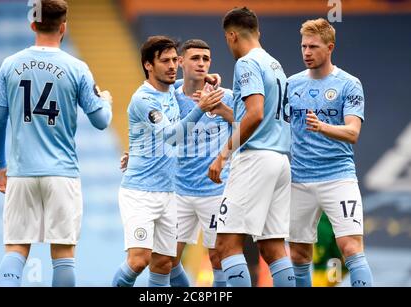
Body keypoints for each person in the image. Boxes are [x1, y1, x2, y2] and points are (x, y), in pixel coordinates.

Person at [0, 0, 112, 287]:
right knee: (63, 252)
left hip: (21, 173)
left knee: (16, 248)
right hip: (62, 173)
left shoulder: (10, 65)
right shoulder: (76, 68)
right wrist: (105, 100)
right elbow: (101, 121)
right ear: (63, 27)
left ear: (32, 24)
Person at [112, 36, 224, 287]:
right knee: (139, 260)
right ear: (148, 65)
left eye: (175, 60)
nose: (172, 65)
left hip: (169, 193)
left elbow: (189, 85)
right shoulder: (144, 99)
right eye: (165, 61)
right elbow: (171, 136)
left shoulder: (172, 92)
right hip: (140, 192)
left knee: (165, 263)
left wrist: (209, 77)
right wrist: (201, 107)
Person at [207, 7, 295, 287]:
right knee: (273, 247)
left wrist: (223, 154)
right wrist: (227, 110)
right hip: (280, 161)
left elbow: (255, 114)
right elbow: (264, 115)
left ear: (232, 35)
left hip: (256, 160)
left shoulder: (246, 63)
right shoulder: (275, 65)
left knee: (226, 246)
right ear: (257, 31)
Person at [287, 18, 373, 287]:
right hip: (299, 179)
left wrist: (322, 126)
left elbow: (353, 132)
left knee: (350, 248)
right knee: (299, 254)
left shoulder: (349, 84)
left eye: (313, 46)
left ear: (330, 47)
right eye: (303, 46)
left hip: (338, 177)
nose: (306, 53)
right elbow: (262, 118)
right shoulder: (291, 85)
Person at [168, 39, 234, 287]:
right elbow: (162, 135)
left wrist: (222, 110)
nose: (201, 63)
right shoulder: (169, 98)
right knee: (168, 259)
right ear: (181, 61)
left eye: (206, 59)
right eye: (195, 58)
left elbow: (249, 123)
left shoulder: (224, 95)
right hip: (179, 190)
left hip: (215, 190)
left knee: (218, 258)